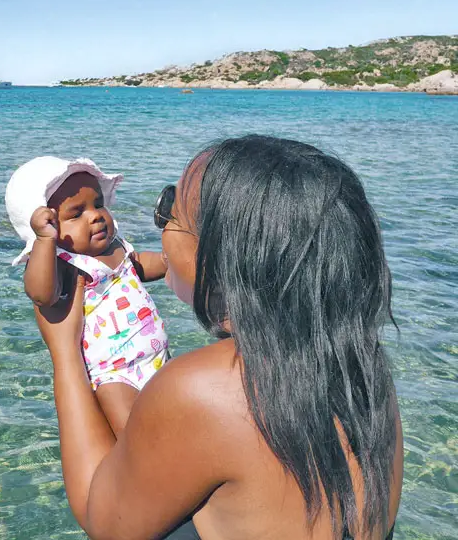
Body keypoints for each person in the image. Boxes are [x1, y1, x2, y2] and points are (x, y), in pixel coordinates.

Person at [33, 136, 403, 540]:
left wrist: (64, 350)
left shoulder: (201, 390)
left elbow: (102, 519)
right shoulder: (366, 367)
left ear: (222, 251)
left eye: (168, 211)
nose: (161, 226)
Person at [6, 156, 169, 437]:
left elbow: (139, 265)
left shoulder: (115, 247)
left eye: (98, 204)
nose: (95, 215)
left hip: (158, 359)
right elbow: (41, 294)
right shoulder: (66, 262)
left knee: (173, 420)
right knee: (136, 438)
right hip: (114, 376)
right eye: (76, 213)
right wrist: (44, 241)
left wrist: (172, 260)